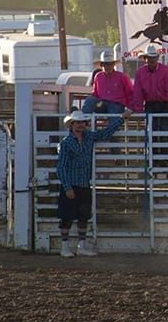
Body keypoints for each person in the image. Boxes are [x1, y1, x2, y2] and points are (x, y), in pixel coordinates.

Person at [56, 109, 132, 257]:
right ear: (71, 125)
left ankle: (80, 246)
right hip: (72, 184)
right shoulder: (65, 144)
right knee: (67, 217)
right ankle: (65, 247)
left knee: (83, 216)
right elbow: (61, 167)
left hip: (84, 184)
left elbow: (105, 132)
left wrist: (121, 118)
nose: (80, 125)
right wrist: (67, 187)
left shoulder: (88, 137)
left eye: (82, 123)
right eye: (77, 123)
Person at [131, 44, 168, 165]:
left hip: (164, 104)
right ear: (145, 59)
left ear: (157, 58)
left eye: (153, 57)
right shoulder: (140, 73)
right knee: (151, 132)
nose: (151, 60)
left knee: (164, 132)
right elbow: (138, 92)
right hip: (151, 104)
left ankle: (165, 160)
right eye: (149, 57)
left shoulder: (166, 71)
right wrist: (138, 109)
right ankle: (153, 160)